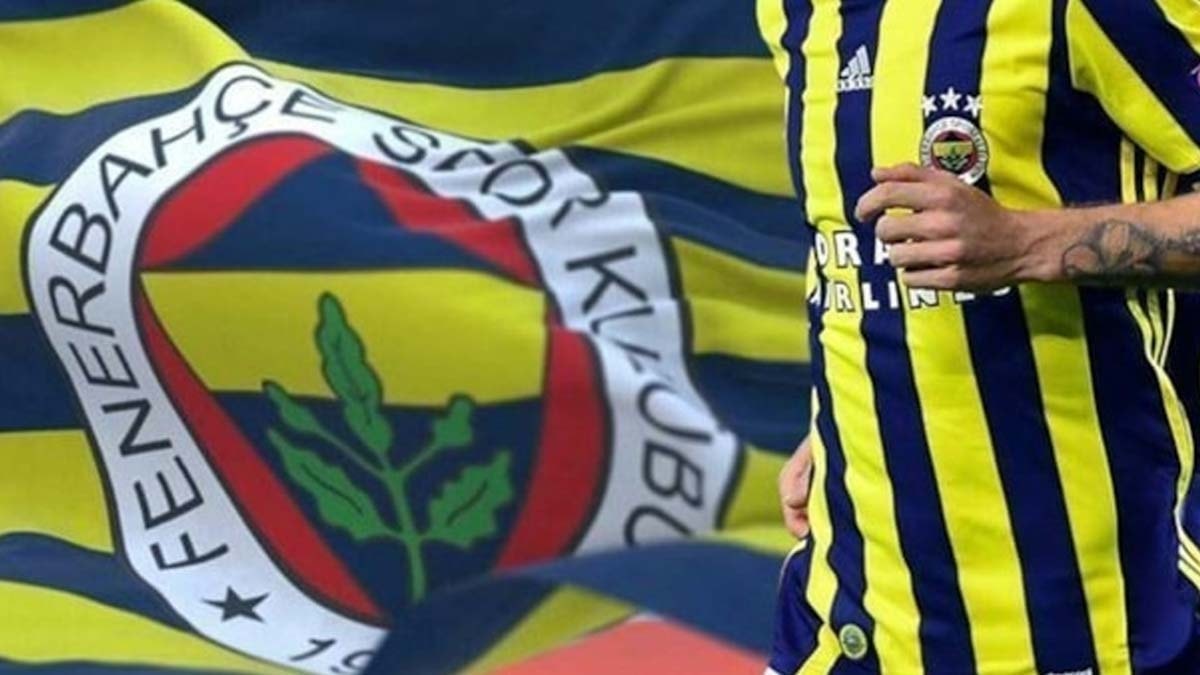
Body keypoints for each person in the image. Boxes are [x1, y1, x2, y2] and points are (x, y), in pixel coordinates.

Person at [758, 0, 1200, 673]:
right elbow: (853, 253)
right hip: (846, 612)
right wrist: (849, 417)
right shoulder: (792, 14)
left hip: (1078, 623)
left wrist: (1028, 242)